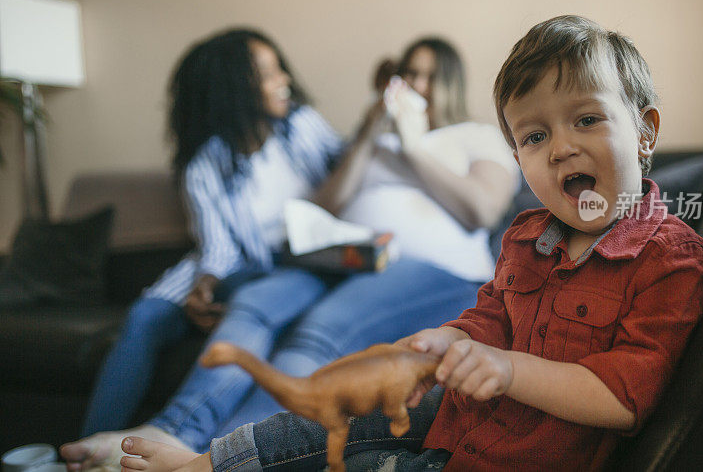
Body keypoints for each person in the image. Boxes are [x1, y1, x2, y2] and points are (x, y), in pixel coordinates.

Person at [119, 15, 703, 472]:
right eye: (535, 136)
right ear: (521, 158)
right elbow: (492, 318)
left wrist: (506, 370)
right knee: (343, 403)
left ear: (645, 131)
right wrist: (450, 338)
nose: (560, 148)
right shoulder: (528, 237)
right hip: (457, 422)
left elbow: (622, 398)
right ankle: (206, 462)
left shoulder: (669, 259)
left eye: (587, 119)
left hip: (510, 456)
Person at [63, 36, 518, 469]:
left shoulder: (475, 136)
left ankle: (217, 461)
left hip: (438, 271)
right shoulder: (379, 141)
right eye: (408, 74)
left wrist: (415, 142)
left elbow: (482, 209)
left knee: (317, 332)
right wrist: (374, 128)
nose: (416, 86)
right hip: (347, 263)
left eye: (430, 76)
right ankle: (178, 436)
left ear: (453, 83)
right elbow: (323, 207)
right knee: (250, 305)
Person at [60, 28, 341, 469]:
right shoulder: (206, 161)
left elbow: (345, 172)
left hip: (281, 270)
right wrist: (205, 286)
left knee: (256, 304)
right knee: (144, 317)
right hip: (225, 265)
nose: (284, 78)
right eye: (268, 73)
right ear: (235, 88)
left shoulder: (301, 127)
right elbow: (218, 247)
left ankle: (177, 444)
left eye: (278, 68)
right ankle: (89, 448)